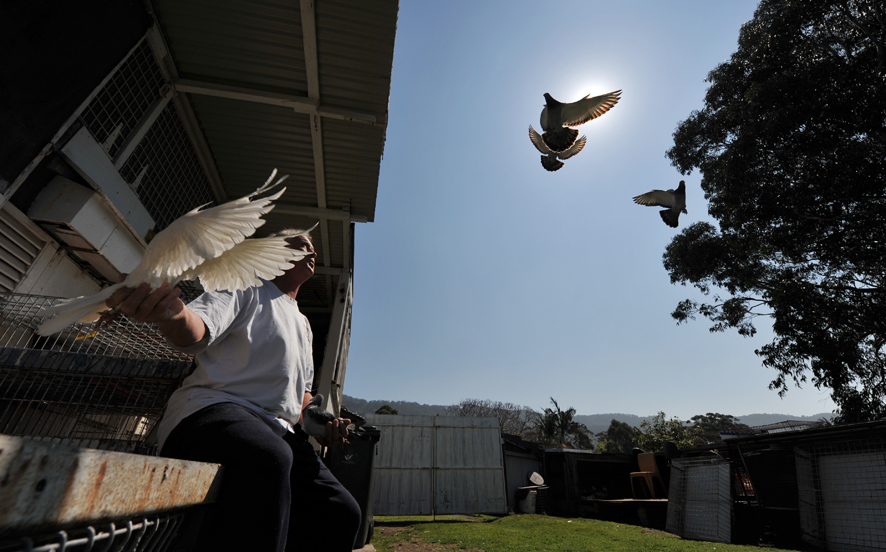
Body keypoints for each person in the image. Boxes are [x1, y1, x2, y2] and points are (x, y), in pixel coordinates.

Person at [106, 228, 361, 552]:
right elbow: (196, 329)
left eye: (311, 246)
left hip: (278, 431)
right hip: (212, 410)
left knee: (339, 512)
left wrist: (323, 424)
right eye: (298, 245)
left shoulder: (303, 324)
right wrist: (173, 312)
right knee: (269, 458)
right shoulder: (244, 288)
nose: (310, 249)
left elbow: (299, 399)